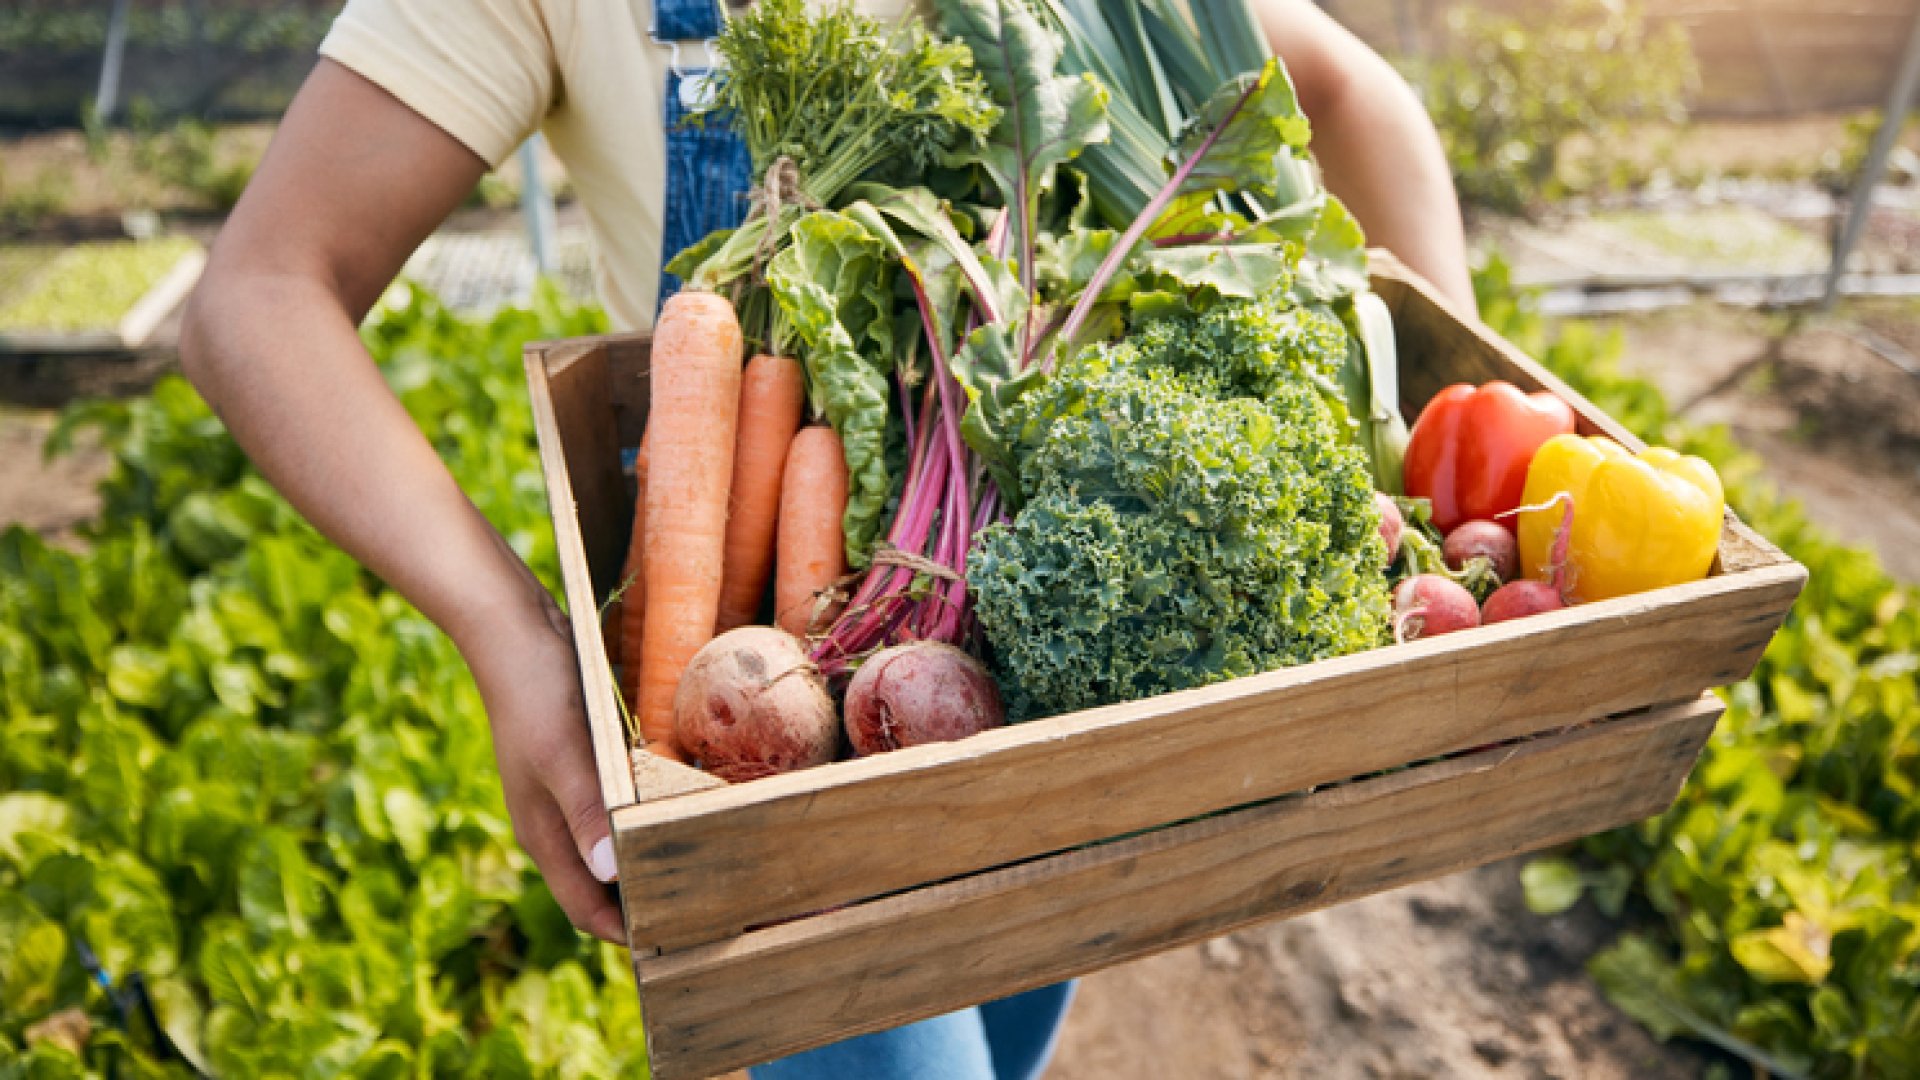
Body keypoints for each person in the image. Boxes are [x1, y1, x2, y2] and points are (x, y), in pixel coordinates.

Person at [178, 1, 1471, 1075]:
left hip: (1044, 662)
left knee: (1010, 1030)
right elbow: (258, 294)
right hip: (774, 736)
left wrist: (1425, 426)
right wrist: (509, 634)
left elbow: (1347, 94)